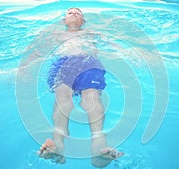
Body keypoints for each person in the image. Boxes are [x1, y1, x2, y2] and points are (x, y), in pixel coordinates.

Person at [37, 8, 124, 168]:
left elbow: (113, 45)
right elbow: (37, 52)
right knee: (63, 96)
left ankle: (98, 146)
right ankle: (58, 144)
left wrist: (128, 54)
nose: (74, 13)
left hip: (88, 62)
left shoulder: (91, 33)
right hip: (63, 63)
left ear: (83, 21)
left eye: (78, 12)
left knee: (91, 97)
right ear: (63, 21)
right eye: (70, 12)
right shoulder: (56, 35)